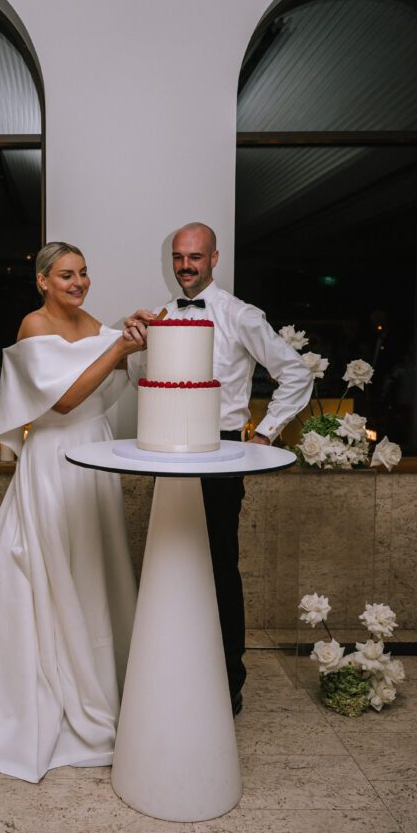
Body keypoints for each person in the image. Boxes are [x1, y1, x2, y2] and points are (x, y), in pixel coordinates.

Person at [0, 242, 146, 782]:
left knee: (96, 565)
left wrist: (128, 333)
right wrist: (117, 349)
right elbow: (62, 401)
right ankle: (38, 687)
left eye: (84, 272)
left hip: (96, 452)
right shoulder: (33, 327)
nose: (79, 282)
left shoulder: (92, 322)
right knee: (54, 564)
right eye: (67, 275)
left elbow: (106, 381)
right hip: (56, 458)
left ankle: (105, 678)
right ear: (42, 281)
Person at [127, 222, 313, 714]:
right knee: (172, 561)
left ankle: (229, 679)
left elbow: (294, 371)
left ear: (214, 259)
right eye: (178, 258)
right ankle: (172, 670)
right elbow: (137, 378)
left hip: (221, 450)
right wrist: (135, 344)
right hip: (166, 450)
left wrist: (267, 430)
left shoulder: (240, 315)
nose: (185, 266)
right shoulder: (162, 315)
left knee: (219, 566)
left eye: (195, 257)